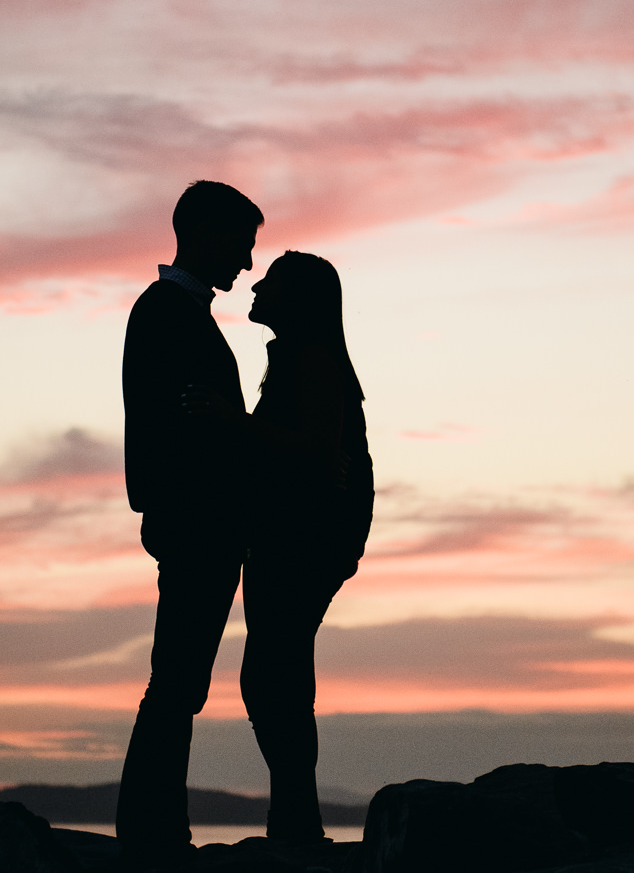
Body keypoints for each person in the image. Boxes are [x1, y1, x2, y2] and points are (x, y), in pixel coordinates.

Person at [188, 250, 374, 847]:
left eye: (270, 281)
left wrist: (226, 418)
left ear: (296, 298)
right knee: (278, 673)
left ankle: (296, 820)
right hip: (292, 534)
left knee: (274, 674)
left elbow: (316, 451)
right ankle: (294, 816)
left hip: (303, 538)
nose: (256, 285)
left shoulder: (313, 359)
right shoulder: (296, 358)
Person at [116, 180, 264, 867]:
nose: (248, 263)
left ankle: (153, 830)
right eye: (242, 244)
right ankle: (152, 833)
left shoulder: (175, 312)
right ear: (205, 234)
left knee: (179, 680)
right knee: (177, 681)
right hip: (194, 521)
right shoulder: (167, 313)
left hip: (194, 518)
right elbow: (167, 423)